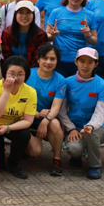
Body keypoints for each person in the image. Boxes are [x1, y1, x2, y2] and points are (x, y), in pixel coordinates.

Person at [55, 47, 104, 179]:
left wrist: (91, 126)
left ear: (96, 64)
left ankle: (95, 166)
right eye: (82, 61)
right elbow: (61, 110)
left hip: (97, 128)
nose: (85, 66)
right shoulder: (67, 82)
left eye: (90, 62)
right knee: (74, 149)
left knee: (91, 134)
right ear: (76, 62)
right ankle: (77, 156)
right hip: (74, 127)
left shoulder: (102, 85)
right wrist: (71, 128)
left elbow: (101, 111)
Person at [0, 55, 37, 179]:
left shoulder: (30, 92)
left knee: (24, 134)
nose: (15, 78)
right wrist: (7, 91)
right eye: (12, 74)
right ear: (5, 74)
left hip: (11, 126)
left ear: (26, 76)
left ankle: (13, 163)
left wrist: (8, 128)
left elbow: (28, 121)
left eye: (20, 74)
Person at [26, 44, 67, 176]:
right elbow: (20, 102)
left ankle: (57, 159)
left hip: (47, 120)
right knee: (34, 152)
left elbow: (56, 107)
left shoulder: (61, 80)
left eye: (52, 59)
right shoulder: (27, 75)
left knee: (55, 123)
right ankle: (24, 147)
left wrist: (45, 121)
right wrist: (36, 114)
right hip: (27, 119)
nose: (48, 62)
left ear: (57, 61)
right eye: (45, 58)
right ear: (38, 59)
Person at [45, 0, 100, 77]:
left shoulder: (90, 15)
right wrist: (52, 36)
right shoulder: (56, 12)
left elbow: (94, 41)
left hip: (80, 62)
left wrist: (88, 35)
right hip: (59, 61)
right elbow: (46, 37)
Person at [1, 0, 48, 67]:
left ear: (33, 15)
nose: (24, 16)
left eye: (28, 12)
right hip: (12, 69)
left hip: (33, 70)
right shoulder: (7, 33)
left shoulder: (40, 35)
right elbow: (7, 58)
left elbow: (37, 60)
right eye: (21, 12)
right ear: (15, 14)